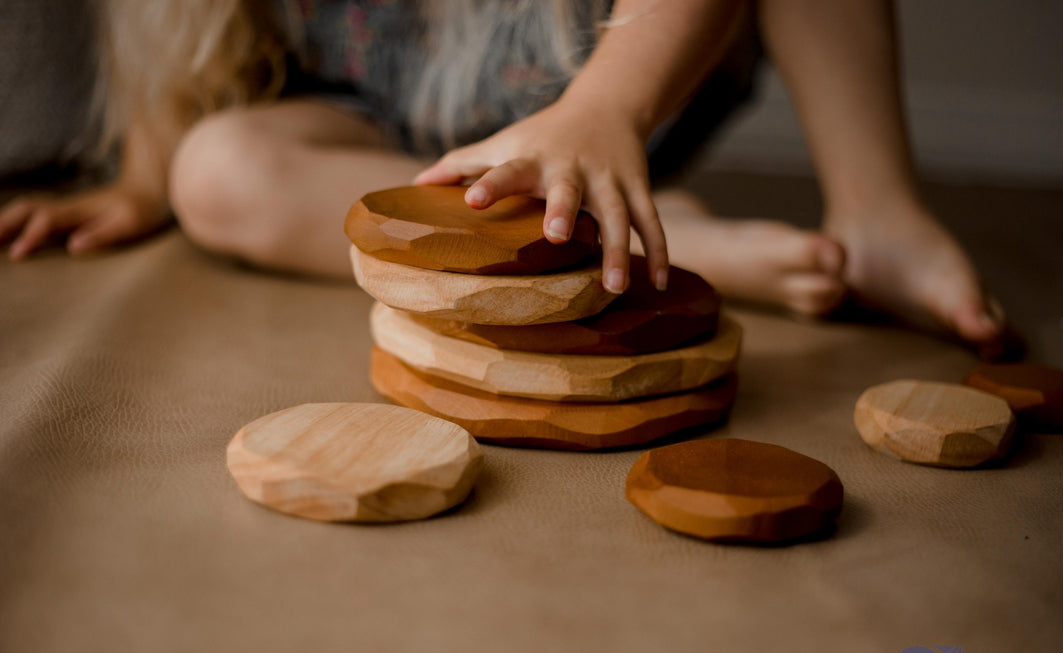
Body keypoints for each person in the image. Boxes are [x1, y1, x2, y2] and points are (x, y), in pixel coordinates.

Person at [0, 0, 1008, 356]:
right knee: (213, 173)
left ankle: (878, 209)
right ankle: (675, 241)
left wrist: (608, 105)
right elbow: (178, 19)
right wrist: (145, 175)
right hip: (396, 129)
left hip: (616, 81)